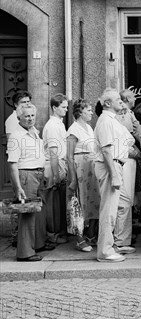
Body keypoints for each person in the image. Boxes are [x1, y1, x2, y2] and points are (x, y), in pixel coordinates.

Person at [94, 89, 135, 262]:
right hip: (111, 167)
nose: (121, 101)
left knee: (122, 204)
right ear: (108, 103)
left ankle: (116, 242)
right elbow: (106, 150)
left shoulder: (112, 120)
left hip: (118, 164)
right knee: (109, 210)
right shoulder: (105, 121)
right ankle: (104, 250)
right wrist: (114, 175)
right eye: (117, 99)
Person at [7, 104, 47, 261]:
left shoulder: (34, 132)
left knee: (38, 211)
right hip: (26, 175)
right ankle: (25, 253)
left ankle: (37, 244)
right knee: (27, 213)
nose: (30, 119)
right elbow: (12, 164)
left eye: (32, 115)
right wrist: (17, 187)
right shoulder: (16, 136)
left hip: (38, 174)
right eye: (27, 116)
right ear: (19, 118)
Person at [66, 99, 100, 252]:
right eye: (89, 110)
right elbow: (69, 156)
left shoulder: (88, 127)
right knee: (79, 203)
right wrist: (73, 178)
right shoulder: (73, 130)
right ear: (80, 112)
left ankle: (91, 234)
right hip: (79, 168)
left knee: (93, 200)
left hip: (91, 167)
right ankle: (79, 238)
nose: (92, 113)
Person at [115, 89, 141, 251]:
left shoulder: (128, 114)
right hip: (123, 162)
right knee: (123, 202)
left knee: (127, 201)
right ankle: (120, 240)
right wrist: (133, 152)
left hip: (128, 162)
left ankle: (123, 237)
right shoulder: (115, 120)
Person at [42, 93, 69, 245]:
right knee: (52, 203)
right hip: (54, 165)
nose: (66, 110)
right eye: (63, 107)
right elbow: (53, 152)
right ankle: (52, 235)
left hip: (60, 163)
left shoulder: (58, 123)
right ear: (54, 108)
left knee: (58, 202)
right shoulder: (52, 126)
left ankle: (57, 233)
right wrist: (56, 174)